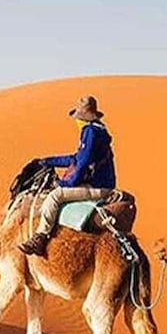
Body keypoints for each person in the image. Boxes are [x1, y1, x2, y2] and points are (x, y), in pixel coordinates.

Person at [19, 96, 117, 256]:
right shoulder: (98, 130)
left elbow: (83, 163)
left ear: (82, 118)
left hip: (98, 186)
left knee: (54, 196)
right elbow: (76, 158)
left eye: (78, 118)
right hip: (101, 183)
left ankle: (40, 237)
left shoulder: (90, 132)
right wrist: (48, 161)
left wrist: (67, 184)